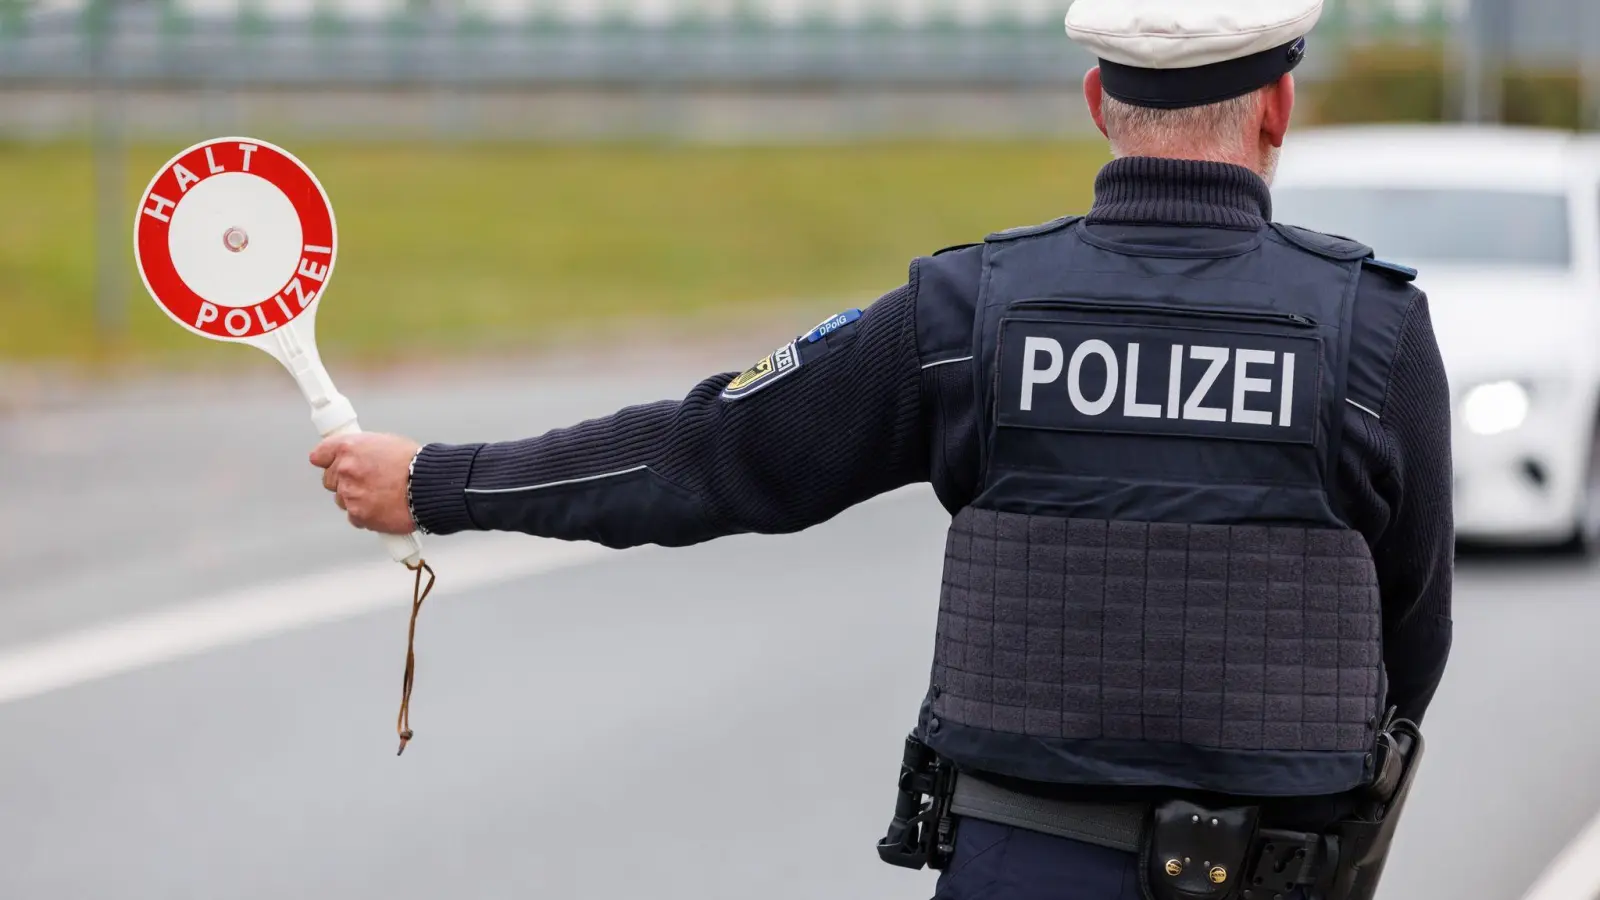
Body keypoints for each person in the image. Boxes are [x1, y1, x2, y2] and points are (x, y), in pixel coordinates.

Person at [310, 1, 1454, 896]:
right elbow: (1412, 638)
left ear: (1099, 100)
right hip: (1274, 869)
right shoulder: (1375, 333)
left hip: (1019, 868)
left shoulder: (967, 315)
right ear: (1279, 106)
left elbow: (709, 455)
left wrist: (436, 481)